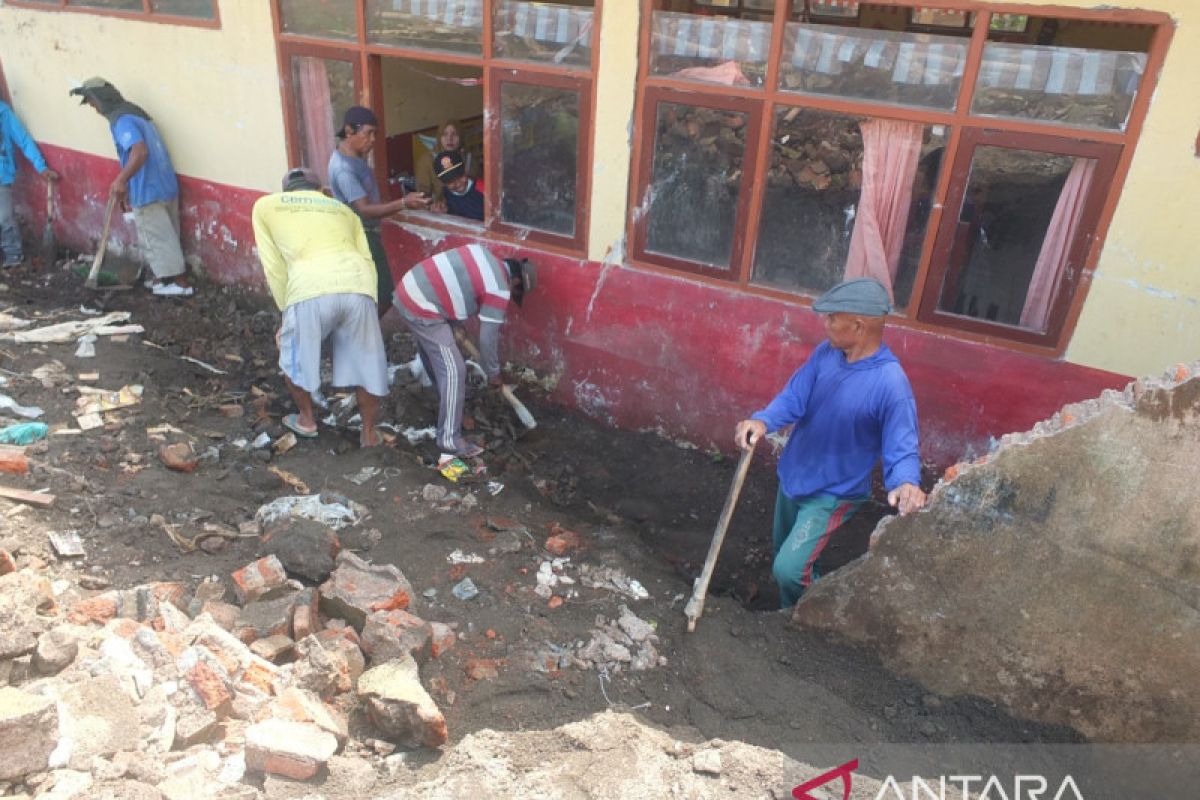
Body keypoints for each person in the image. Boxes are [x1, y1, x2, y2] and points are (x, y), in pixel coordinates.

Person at [734, 277, 926, 610]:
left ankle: (813, 619)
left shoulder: (890, 384)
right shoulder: (827, 354)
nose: (826, 323)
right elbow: (795, 396)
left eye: (831, 317)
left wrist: (906, 482)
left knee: (789, 569)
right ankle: (787, 616)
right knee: (791, 557)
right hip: (795, 476)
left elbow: (902, 444)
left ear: (859, 325)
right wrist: (762, 420)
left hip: (832, 493)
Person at [251, 167, 389, 448]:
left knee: (295, 356)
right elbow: (367, 258)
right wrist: (368, 301)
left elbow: (274, 266)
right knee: (367, 364)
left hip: (309, 286)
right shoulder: (342, 210)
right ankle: (369, 434)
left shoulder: (266, 206)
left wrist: (285, 312)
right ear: (320, 191)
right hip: (358, 283)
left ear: (286, 191)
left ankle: (306, 419)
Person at [394, 244, 535, 460]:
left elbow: (452, 284)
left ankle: (449, 403)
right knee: (454, 371)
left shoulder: (481, 252)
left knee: (436, 354)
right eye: (516, 291)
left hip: (408, 290)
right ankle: (449, 439)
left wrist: (452, 322)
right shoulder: (499, 288)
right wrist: (493, 373)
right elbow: (487, 338)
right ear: (515, 282)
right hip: (422, 307)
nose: (512, 295)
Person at [69, 77, 192, 296]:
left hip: (148, 188)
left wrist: (121, 180)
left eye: (92, 103)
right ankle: (164, 280)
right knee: (168, 235)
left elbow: (139, 151)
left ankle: (180, 285)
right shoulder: (137, 115)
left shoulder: (122, 121)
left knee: (157, 238)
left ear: (102, 100)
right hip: (164, 183)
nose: (94, 109)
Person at [328, 106, 430, 319]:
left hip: (365, 233)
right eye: (368, 133)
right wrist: (404, 202)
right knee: (384, 295)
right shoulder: (344, 169)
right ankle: (363, 335)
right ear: (349, 131)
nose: (373, 139)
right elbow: (364, 210)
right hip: (363, 235)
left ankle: (361, 335)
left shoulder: (355, 156)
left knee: (370, 294)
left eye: (375, 133)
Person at [0, 99, 59, 268]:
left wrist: (41, 167)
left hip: (1, 176)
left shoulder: (4, 115)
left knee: (5, 218)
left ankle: (13, 256)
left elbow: (24, 141)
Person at [414, 119, 477, 204]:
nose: (449, 139)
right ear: (439, 137)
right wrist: (432, 206)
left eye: (454, 134)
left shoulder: (468, 157)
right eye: (444, 134)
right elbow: (422, 195)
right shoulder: (427, 161)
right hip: (440, 212)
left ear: (461, 137)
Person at [431, 150, 484, 221]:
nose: (458, 184)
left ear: (466, 171)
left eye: (460, 176)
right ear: (443, 183)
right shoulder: (445, 193)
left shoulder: (483, 189)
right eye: (450, 181)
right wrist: (444, 212)